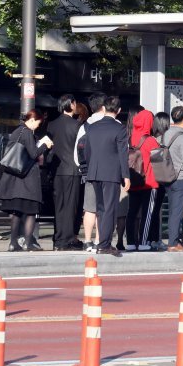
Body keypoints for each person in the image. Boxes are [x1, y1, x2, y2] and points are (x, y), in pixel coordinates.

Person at [0, 110, 53, 252]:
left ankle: (13, 243)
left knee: (16, 212)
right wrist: (45, 145)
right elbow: (34, 153)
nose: (38, 127)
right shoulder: (27, 132)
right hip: (26, 180)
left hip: (14, 180)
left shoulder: (17, 131)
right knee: (30, 212)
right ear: (33, 120)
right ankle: (28, 242)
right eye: (38, 123)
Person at [82, 96, 130, 256]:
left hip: (94, 172)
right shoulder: (120, 129)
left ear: (104, 108)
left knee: (101, 208)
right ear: (119, 110)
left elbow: (86, 151)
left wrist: (91, 168)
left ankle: (102, 243)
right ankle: (105, 244)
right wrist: (126, 175)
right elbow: (123, 154)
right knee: (110, 209)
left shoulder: (92, 127)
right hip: (111, 173)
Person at [48, 95, 84, 251]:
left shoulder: (52, 125)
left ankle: (58, 237)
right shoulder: (77, 126)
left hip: (57, 170)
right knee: (71, 205)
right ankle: (68, 239)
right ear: (71, 104)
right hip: (72, 170)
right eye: (75, 103)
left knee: (59, 205)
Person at [75, 93, 108, 252]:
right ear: (104, 106)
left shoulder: (84, 126)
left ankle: (87, 241)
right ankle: (99, 240)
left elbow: (77, 153)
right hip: (107, 173)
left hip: (89, 173)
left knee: (89, 208)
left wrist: (83, 168)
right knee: (103, 208)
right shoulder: (111, 123)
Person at [125, 110, 161, 251]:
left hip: (134, 180)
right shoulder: (151, 140)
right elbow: (159, 160)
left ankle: (130, 242)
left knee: (132, 212)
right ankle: (143, 242)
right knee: (147, 214)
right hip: (149, 182)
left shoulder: (129, 138)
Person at [161, 107, 183, 251]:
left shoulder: (167, 134)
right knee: (177, 212)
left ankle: (174, 240)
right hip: (181, 178)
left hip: (168, 176)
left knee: (174, 211)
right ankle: (173, 243)